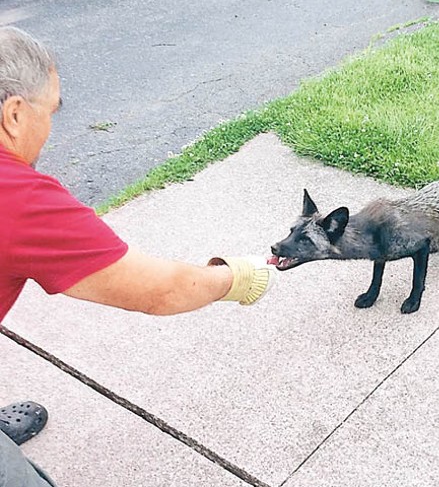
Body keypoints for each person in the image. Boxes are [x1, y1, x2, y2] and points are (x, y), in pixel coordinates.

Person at [0, 26, 276, 486]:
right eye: (49, 112)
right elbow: (160, 291)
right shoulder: (16, 198)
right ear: (13, 113)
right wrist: (237, 278)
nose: (49, 128)